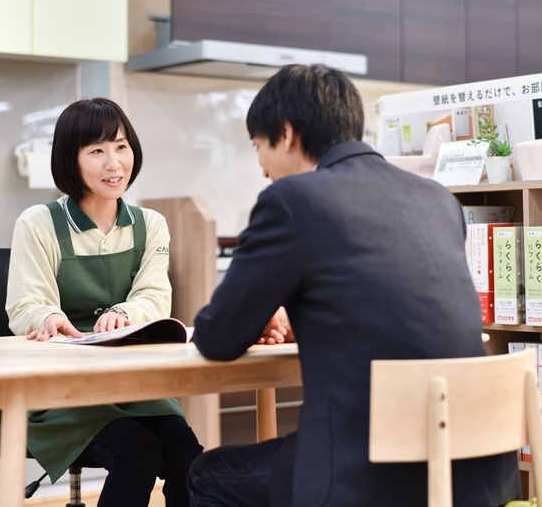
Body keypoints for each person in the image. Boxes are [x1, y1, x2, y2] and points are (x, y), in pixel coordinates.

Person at [187, 65, 520, 507]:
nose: (263, 169)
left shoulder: (293, 200)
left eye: (258, 147)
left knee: (206, 475)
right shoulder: (438, 199)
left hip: (367, 476)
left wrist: (264, 311)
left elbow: (218, 336)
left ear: (286, 134)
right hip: (478, 469)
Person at [6, 97, 202, 507]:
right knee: (138, 453)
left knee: (188, 458)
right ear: (70, 160)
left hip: (135, 386)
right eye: (97, 151)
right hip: (63, 394)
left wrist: (125, 312)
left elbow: (154, 297)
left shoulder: (151, 225)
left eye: (121, 146)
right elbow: (24, 305)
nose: (114, 163)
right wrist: (47, 316)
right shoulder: (38, 224)